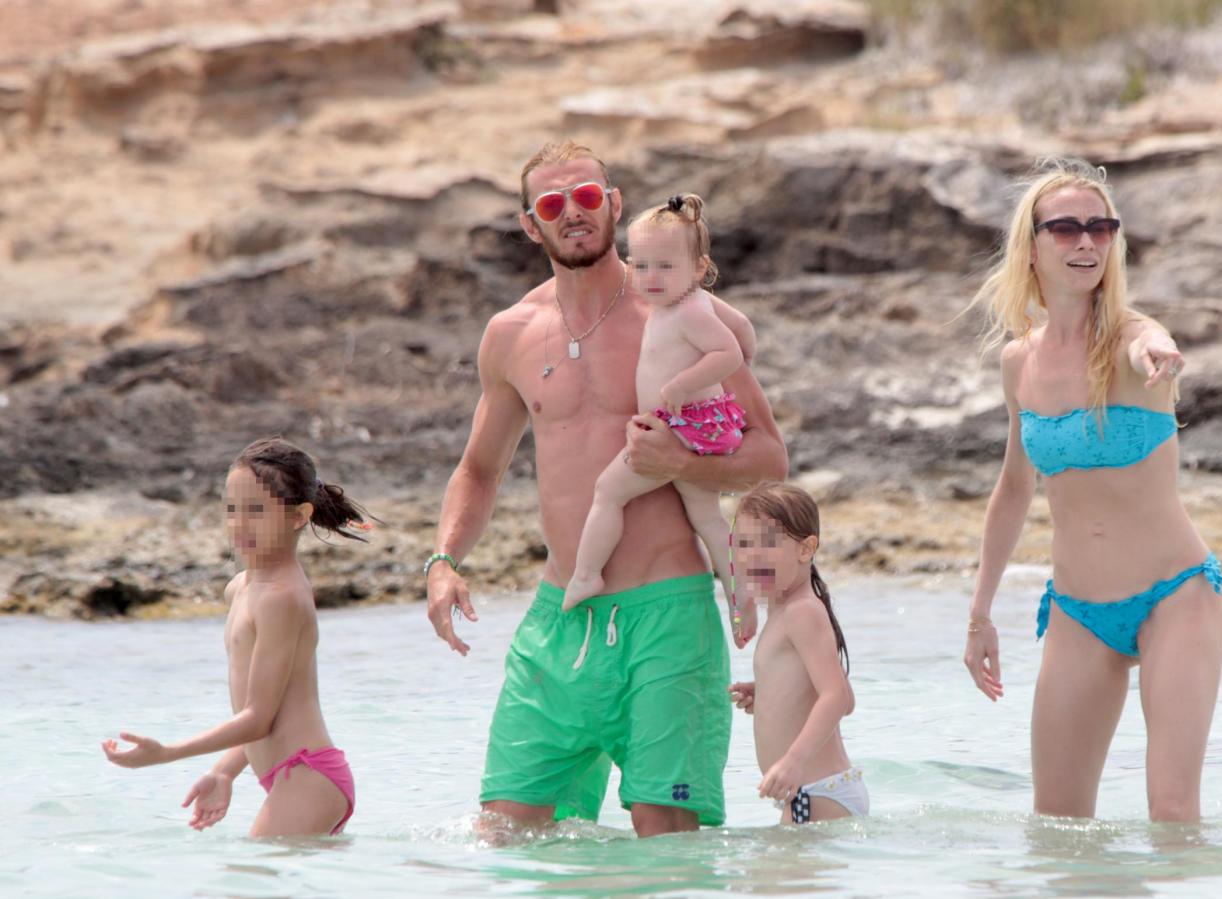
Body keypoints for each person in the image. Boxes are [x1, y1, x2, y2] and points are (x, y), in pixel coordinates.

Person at [424, 140, 787, 839]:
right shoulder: (510, 334)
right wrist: (443, 561)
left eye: (588, 196)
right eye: (552, 203)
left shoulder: (679, 312)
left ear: (615, 205)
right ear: (531, 224)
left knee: (667, 849)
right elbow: (478, 470)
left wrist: (680, 459)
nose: (574, 213)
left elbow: (770, 455)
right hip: (559, 622)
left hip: (667, 620)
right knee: (507, 841)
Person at [962, 157, 1222, 823]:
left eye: (1101, 227)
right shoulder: (1018, 362)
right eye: (1067, 228)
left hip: (1175, 594)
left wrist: (1157, 353)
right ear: (1031, 246)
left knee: (1172, 811)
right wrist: (980, 613)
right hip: (1078, 612)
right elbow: (1014, 488)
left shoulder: (1133, 338)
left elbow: (1148, 340)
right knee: (1057, 826)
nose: (1087, 241)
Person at [102, 438, 370, 837]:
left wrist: (167, 753)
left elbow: (258, 718)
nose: (239, 524)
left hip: (308, 775)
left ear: (298, 516)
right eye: (232, 509)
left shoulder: (282, 598)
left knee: (252, 873)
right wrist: (223, 772)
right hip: (293, 777)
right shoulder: (241, 588)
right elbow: (269, 713)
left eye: (256, 511)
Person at [562, 193, 757, 648]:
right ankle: (741, 596)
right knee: (707, 518)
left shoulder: (688, 311)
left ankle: (587, 574)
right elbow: (744, 332)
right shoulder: (691, 303)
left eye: (665, 267)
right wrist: (745, 355)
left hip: (680, 429)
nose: (650, 278)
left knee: (608, 491)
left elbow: (728, 352)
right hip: (696, 428)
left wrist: (685, 384)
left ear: (698, 268)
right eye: (641, 265)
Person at [727, 483, 866, 824]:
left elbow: (835, 698)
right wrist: (773, 694)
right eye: (743, 544)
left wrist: (793, 761)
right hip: (816, 792)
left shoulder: (801, 611)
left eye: (767, 543)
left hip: (814, 792)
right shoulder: (785, 611)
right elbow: (846, 698)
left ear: (806, 549)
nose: (752, 556)